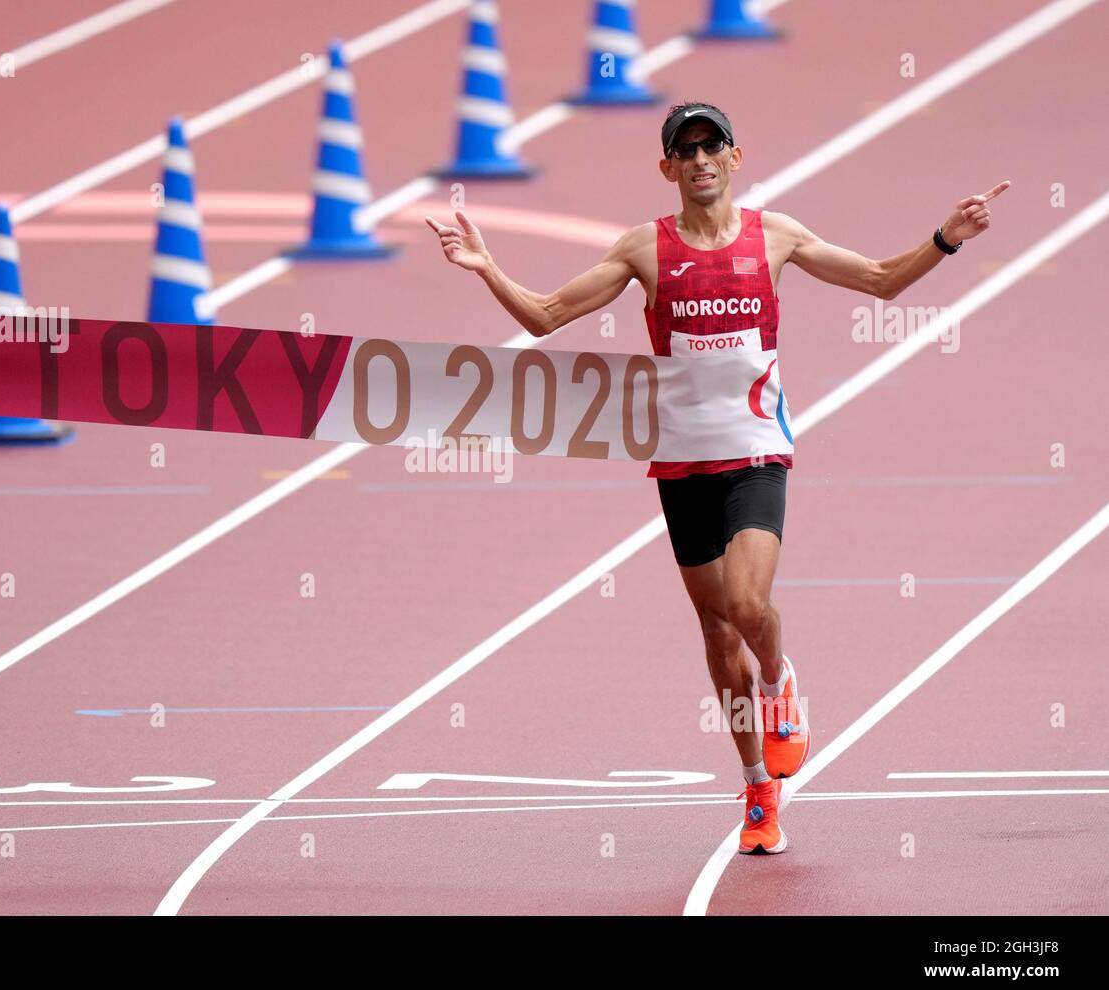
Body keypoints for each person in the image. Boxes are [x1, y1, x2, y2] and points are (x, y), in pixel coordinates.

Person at [425, 101, 1008, 854]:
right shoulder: (645, 249)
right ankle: (758, 788)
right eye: (685, 149)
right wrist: (486, 268)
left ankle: (778, 677)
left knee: (744, 601)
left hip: (756, 452)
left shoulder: (777, 237)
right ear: (667, 169)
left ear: (734, 158)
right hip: (681, 462)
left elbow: (879, 280)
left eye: (712, 146)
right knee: (713, 628)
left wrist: (945, 239)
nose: (700, 159)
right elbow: (544, 317)